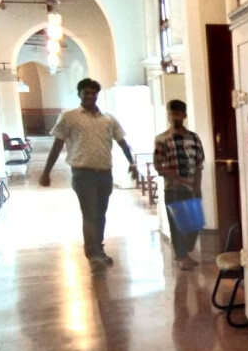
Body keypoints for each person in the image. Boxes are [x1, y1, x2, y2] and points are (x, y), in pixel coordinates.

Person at [40, 78, 139, 267]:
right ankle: (93, 253)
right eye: (86, 92)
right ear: (79, 94)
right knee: (90, 213)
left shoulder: (108, 119)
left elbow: (122, 142)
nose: (90, 96)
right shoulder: (69, 117)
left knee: (101, 213)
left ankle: (98, 249)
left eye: (93, 93)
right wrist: (46, 172)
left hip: (105, 173)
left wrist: (132, 162)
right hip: (83, 174)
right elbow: (57, 144)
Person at [153, 100, 205, 268]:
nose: (174, 117)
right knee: (176, 224)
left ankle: (184, 251)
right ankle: (182, 257)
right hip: (173, 189)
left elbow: (199, 163)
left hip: (191, 188)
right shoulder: (161, 139)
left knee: (195, 223)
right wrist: (175, 177)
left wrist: (197, 186)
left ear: (184, 115)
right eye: (171, 113)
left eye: (178, 113)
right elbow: (158, 165)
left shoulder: (194, 138)